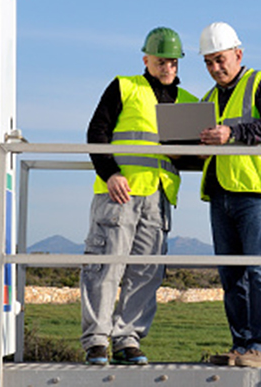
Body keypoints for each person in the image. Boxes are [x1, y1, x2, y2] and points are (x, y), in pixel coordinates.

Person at [80, 27, 197, 365]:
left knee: (147, 271)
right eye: (161, 61)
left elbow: (195, 155)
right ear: (146, 59)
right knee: (106, 266)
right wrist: (110, 172)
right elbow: (96, 132)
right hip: (120, 192)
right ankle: (97, 340)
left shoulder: (189, 101)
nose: (168, 68)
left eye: (173, 62)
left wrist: (184, 156)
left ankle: (127, 338)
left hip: (159, 198)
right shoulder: (124, 86)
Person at [197, 22, 261, 368]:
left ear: (238, 54)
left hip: (257, 192)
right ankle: (241, 346)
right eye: (208, 62)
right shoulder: (208, 98)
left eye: (220, 60)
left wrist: (230, 134)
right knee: (231, 276)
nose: (215, 68)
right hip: (220, 193)